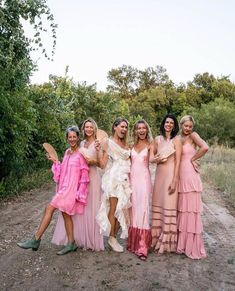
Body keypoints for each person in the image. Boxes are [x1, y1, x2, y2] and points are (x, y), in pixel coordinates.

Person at [17, 126, 89, 255]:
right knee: (65, 215)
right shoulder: (67, 152)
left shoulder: (81, 154)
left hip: (71, 191)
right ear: (67, 138)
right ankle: (71, 243)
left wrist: (80, 192)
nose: (72, 139)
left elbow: (84, 174)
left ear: (78, 138)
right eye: (69, 137)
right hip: (64, 188)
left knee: (49, 209)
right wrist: (56, 162)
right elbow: (63, 171)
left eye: (74, 137)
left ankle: (36, 239)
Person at [52, 118, 104, 251]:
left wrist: (93, 159)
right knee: (81, 209)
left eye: (91, 127)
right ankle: (80, 239)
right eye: (86, 127)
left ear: (94, 128)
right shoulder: (81, 143)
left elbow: (101, 164)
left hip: (93, 178)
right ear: (83, 129)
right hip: (79, 180)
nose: (89, 129)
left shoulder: (97, 143)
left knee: (92, 208)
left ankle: (92, 241)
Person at [95, 117, 131, 252]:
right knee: (114, 208)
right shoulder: (108, 142)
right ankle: (112, 238)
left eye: (126, 127)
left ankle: (113, 237)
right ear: (115, 127)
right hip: (113, 178)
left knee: (122, 209)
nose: (124, 129)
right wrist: (99, 150)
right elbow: (103, 165)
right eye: (122, 126)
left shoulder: (126, 144)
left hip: (124, 179)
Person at [177, 115, 208, 259]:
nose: (188, 129)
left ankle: (192, 245)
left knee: (191, 210)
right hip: (180, 175)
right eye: (186, 126)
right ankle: (182, 244)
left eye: (190, 126)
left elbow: (205, 147)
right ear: (181, 125)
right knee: (183, 209)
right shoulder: (177, 138)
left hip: (190, 175)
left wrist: (193, 158)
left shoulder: (194, 136)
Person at [150, 113, 182, 254]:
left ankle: (167, 242)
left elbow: (179, 161)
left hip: (170, 176)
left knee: (169, 205)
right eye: (166, 122)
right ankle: (156, 239)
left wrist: (175, 180)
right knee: (158, 204)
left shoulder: (176, 140)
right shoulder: (157, 139)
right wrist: (157, 160)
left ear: (174, 126)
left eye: (171, 123)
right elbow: (151, 158)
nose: (168, 124)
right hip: (159, 176)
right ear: (163, 124)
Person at [127, 120, 153, 260]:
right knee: (134, 210)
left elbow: (156, 158)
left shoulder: (151, 145)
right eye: (139, 128)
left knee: (143, 210)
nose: (141, 130)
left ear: (147, 130)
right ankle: (133, 243)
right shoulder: (131, 145)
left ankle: (143, 246)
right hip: (132, 180)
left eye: (144, 128)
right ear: (135, 131)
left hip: (143, 180)